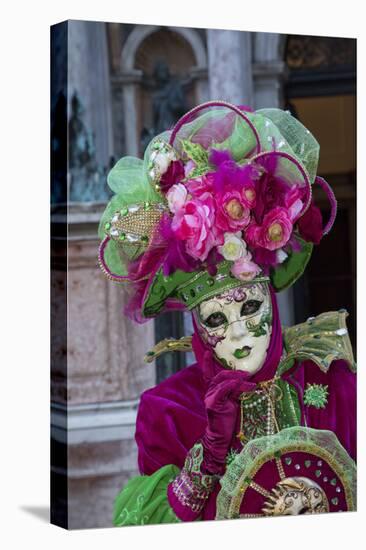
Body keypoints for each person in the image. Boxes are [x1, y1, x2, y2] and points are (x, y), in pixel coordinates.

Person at [98, 101, 356, 525]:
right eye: (216, 319)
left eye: (250, 308)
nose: (238, 334)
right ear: (196, 327)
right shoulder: (170, 411)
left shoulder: (334, 378)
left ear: (270, 300)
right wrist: (207, 458)